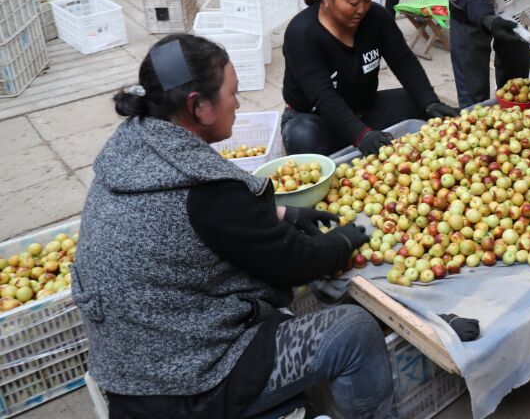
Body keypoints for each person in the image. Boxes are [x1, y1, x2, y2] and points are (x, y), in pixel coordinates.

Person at [73, 34, 397, 419]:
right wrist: (341, 243)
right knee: (353, 333)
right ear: (199, 106)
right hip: (189, 387)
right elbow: (294, 262)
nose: (238, 104)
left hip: (128, 368)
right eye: (232, 93)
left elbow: (197, 224)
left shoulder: (133, 143)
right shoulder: (204, 187)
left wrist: (281, 214)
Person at [282, 0, 458, 156]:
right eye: (353, 2)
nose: (362, 9)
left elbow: (404, 61)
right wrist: (361, 135)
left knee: (416, 102)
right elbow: (322, 96)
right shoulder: (302, 34)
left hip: (365, 109)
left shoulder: (376, 17)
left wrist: (430, 102)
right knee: (302, 136)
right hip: (317, 118)